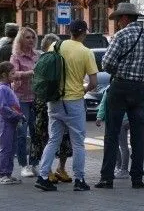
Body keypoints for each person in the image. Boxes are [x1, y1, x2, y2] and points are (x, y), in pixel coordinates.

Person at [95, 3, 144, 189]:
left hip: (120, 87)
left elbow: (106, 63)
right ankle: (137, 178)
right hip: (141, 90)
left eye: (118, 19)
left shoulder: (121, 36)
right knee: (138, 136)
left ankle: (107, 178)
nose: (117, 23)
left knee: (112, 134)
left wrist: (121, 70)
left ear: (124, 18)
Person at [34, 20, 97, 192]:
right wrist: (83, 90)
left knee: (53, 139)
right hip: (74, 101)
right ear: (84, 33)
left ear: (70, 32)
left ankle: (43, 176)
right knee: (78, 143)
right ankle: (79, 180)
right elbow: (93, 82)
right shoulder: (86, 52)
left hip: (54, 100)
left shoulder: (55, 45)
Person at [29, 33, 73, 184]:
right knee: (44, 137)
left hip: (59, 101)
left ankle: (61, 168)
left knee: (64, 137)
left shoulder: (61, 59)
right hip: (44, 103)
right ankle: (47, 170)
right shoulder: (43, 61)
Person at [10, 26, 40, 178]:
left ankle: (34, 163)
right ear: (21, 39)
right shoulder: (16, 56)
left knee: (37, 132)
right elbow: (13, 74)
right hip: (21, 98)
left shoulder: (37, 56)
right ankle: (23, 165)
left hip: (35, 98)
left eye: (33, 37)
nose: (31, 40)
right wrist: (30, 73)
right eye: (27, 37)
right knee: (22, 133)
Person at [0, 62, 25, 185]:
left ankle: (8, 173)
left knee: (11, 148)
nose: (15, 75)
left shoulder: (6, 86)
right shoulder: (2, 88)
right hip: (6, 122)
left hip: (11, 121)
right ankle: (3, 174)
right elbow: (2, 107)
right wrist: (16, 115)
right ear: (4, 74)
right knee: (6, 148)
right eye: (12, 73)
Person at [95, 88, 130, 179]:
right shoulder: (128, 86)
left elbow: (103, 103)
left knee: (119, 145)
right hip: (128, 119)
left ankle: (122, 169)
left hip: (118, 120)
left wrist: (99, 117)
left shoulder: (110, 89)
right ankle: (120, 168)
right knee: (122, 145)